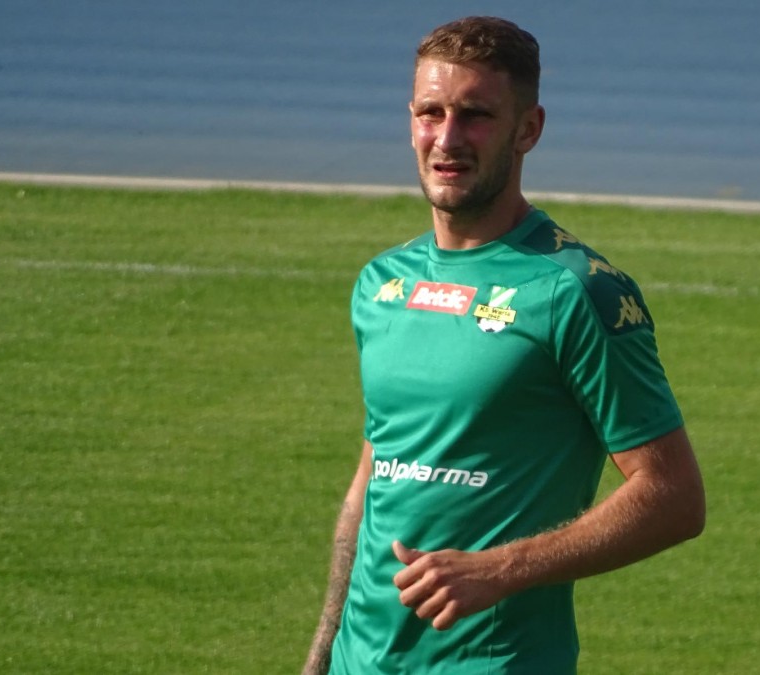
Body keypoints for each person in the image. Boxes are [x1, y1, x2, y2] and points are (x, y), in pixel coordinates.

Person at [302, 16, 705, 675]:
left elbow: (674, 496)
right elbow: (372, 477)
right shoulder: (382, 284)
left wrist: (499, 569)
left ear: (528, 129)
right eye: (430, 113)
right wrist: (322, 652)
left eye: (476, 115)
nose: (447, 139)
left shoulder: (575, 291)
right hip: (360, 662)